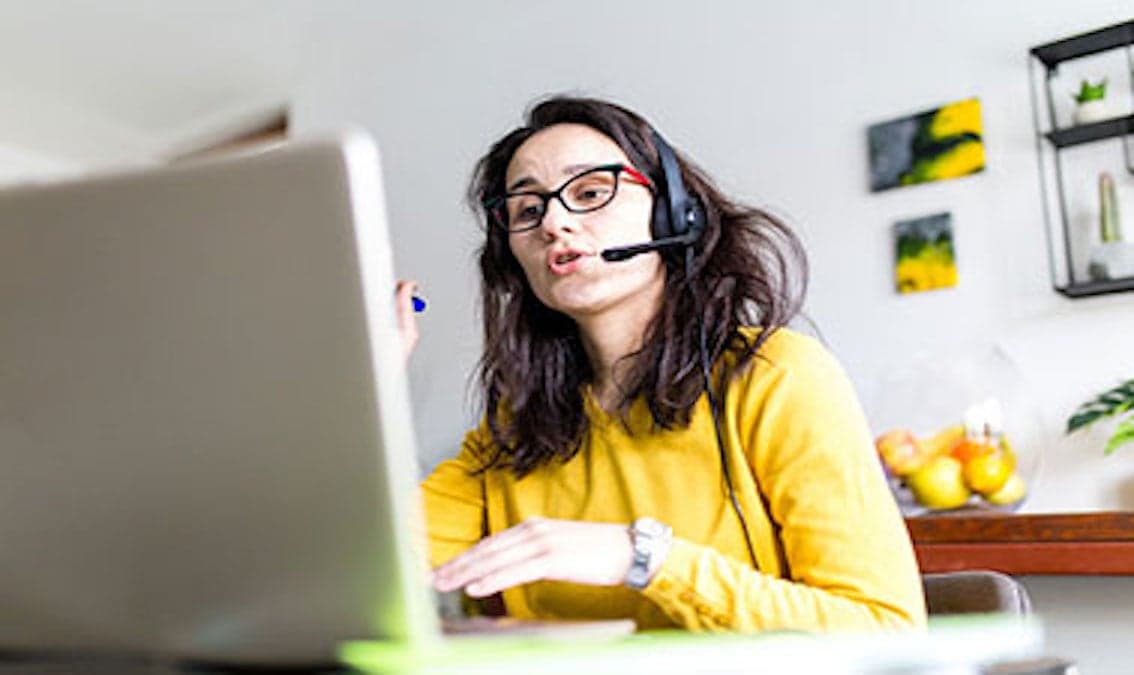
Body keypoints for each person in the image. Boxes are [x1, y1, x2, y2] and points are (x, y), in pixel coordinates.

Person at [401, 96, 926, 632]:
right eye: (528, 211)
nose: (553, 223)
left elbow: (884, 628)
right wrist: (365, 381)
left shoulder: (777, 375)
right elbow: (364, 563)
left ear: (673, 212)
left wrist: (645, 558)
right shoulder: (517, 428)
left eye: (590, 192)